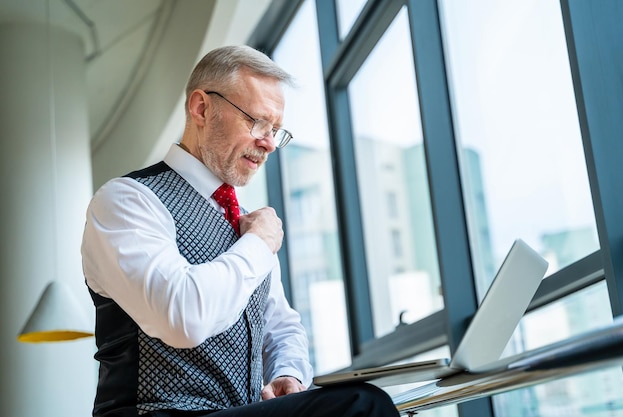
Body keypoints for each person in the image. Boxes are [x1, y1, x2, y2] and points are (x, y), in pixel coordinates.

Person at [81, 45, 400, 417]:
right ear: (202, 108)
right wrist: (259, 243)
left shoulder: (247, 224)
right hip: (154, 414)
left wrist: (288, 373)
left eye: (276, 131)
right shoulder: (128, 200)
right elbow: (182, 318)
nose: (268, 143)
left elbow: (281, 326)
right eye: (258, 122)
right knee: (362, 404)